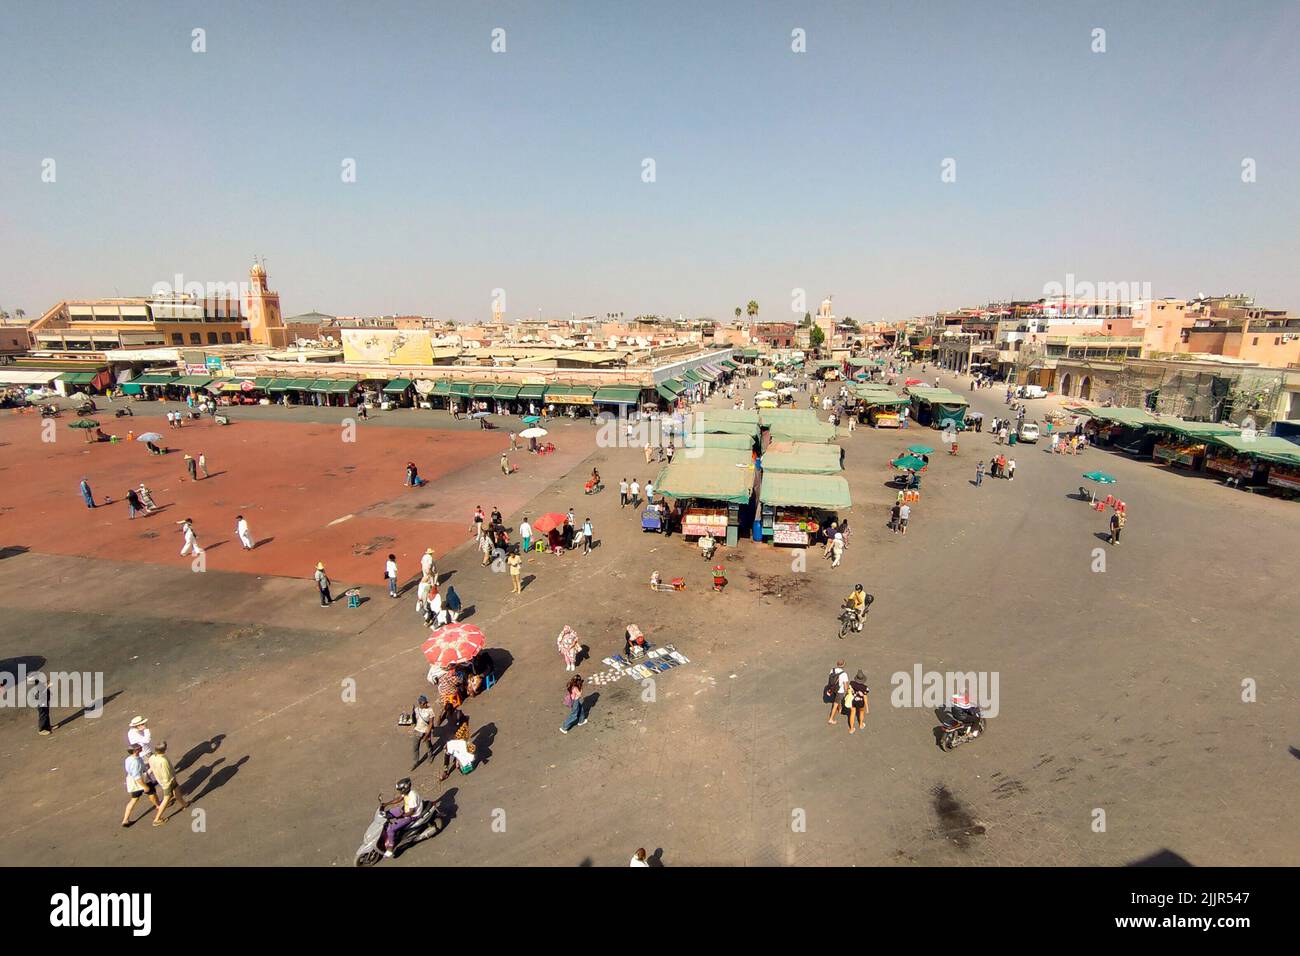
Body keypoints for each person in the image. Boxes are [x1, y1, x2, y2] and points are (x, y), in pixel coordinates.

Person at [148, 741, 188, 826]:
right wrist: (171, 781)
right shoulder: (163, 760)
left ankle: (184, 804)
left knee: (176, 790)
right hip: (168, 782)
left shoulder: (152, 757)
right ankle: (157, 819)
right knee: (166, 798)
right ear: (164, 749)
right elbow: (167, 773)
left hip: (161, 780)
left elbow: (151, 768)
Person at [378, 778, 422, 857]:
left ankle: (390, 848)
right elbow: (399, 799)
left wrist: (402, 816)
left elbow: (411, 812)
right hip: (405, 809)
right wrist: (386, 804)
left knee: (390, 829)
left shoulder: (412, 796)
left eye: (400, 789)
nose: (400, 791)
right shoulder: (406, 792)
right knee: (388, 813)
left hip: (411, 816)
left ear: (405, 788)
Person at [121, 744, 160, 827]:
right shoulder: (136, 762)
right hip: (141, 781)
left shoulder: (128, 759)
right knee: (151, 793)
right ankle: (158, 805)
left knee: (134, 799)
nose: (141, 748)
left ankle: (125, 819)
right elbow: (137, 777)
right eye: (139, 748)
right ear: (135, 751)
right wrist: (145, 786)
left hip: (132, 782)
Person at [410, 695, 436, 771]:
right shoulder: (416, 710)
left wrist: (427, 734)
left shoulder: (430, 710)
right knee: (415, 747)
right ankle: (415, 762)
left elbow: (431, 723)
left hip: (426, 731)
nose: (426, 704)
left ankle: (431, 755)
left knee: (428, 745)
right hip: (417, 730)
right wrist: (412, 714)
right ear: (420, 704)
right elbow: (414, 720)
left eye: (426, 702)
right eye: (424, 703)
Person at [826, 661, 849, 726]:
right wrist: (847, 692)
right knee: (835, 704)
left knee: (837, 700)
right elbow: (845, 686)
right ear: (843, 665)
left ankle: (839, 709)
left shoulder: (832, 670)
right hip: (840, 691)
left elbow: (830, 679)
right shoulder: (844, 674)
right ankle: (831, 719)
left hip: (833, 689)